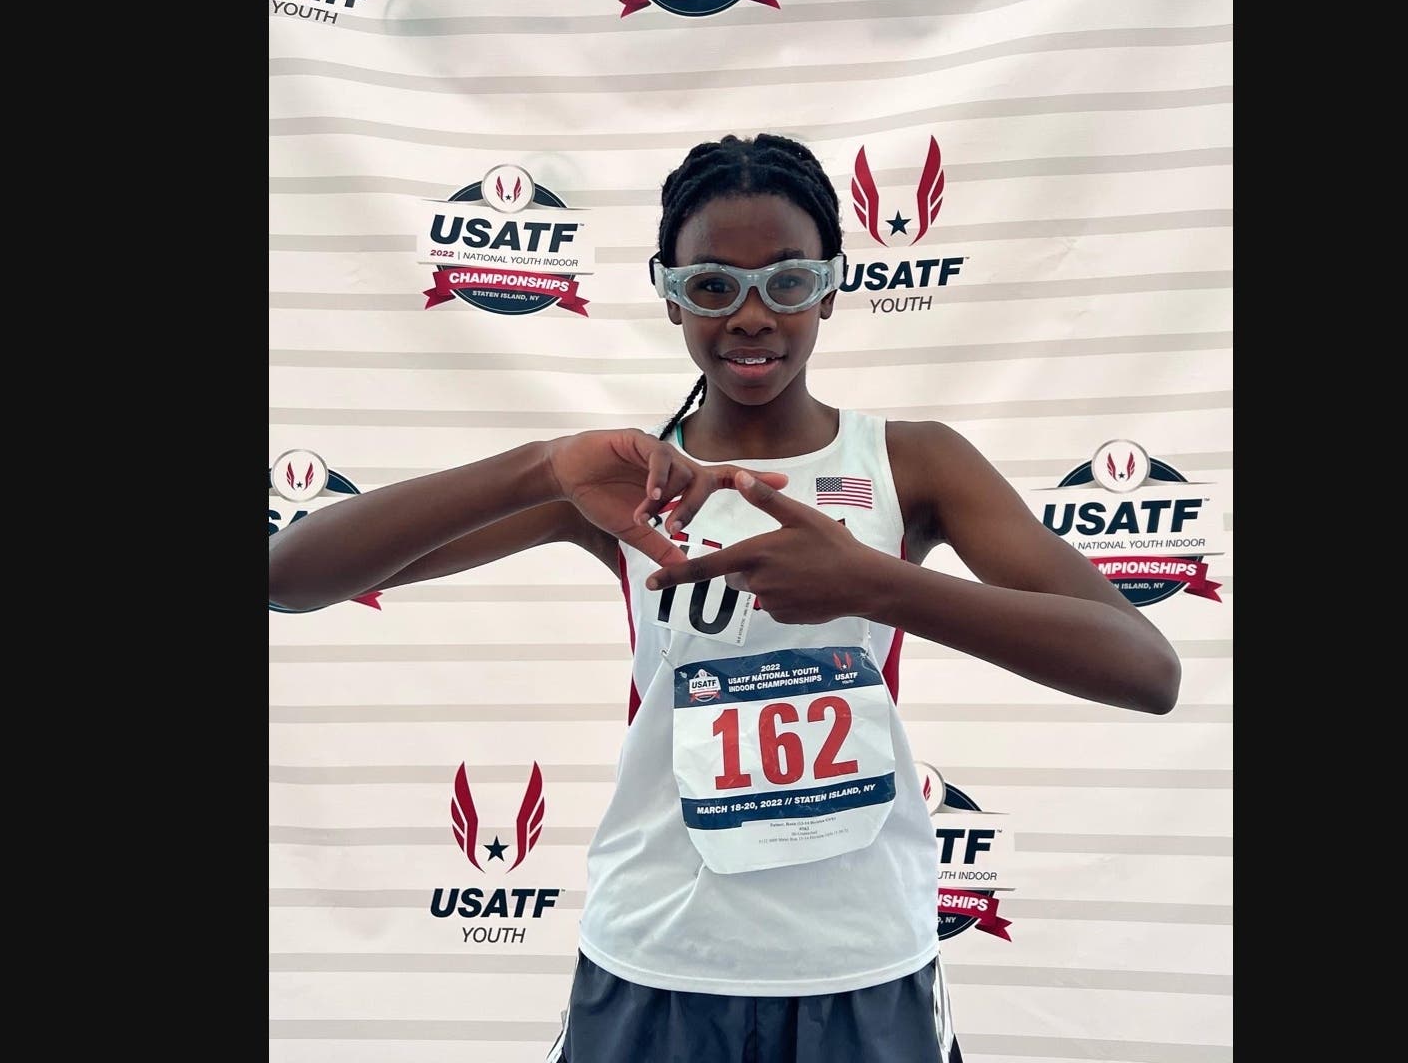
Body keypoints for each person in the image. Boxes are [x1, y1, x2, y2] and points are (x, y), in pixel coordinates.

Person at [268, 132, 1182, 1063]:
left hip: (860, 960)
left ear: (830, 286)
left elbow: (1145, 670)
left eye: (786, 282)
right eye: (713, 285)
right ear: (668, 292)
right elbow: (289, 579)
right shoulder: (622, 485)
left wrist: (878, 584)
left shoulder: (912, 462)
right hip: (658, 950)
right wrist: (538, 469)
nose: (751, 315)